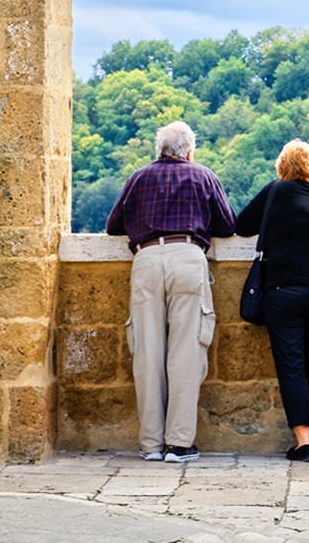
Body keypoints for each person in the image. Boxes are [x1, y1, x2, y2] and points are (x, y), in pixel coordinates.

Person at [106, 121, 237, 463]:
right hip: (188, 256)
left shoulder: (138, 177)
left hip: (147, 258)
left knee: (147, 351)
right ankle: (179, 444)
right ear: (189, 151)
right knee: (187, 350)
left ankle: (150, 444)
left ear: (158, 150)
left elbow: (112, 225)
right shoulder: (203, 176)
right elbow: (228, 225)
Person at [234, 139, 309, 462]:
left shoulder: (275, 191)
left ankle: (304, 443)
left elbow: (241, 226)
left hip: (285, 292)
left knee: (292, 367)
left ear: (282, 167)